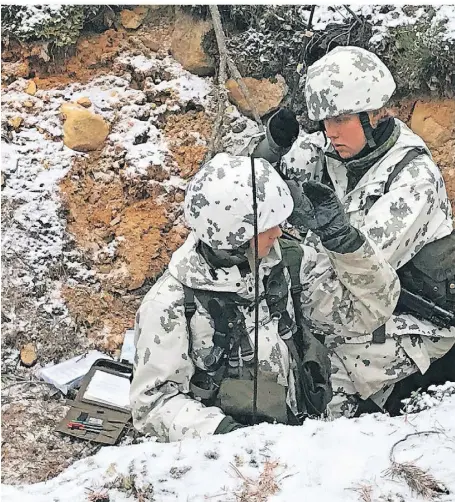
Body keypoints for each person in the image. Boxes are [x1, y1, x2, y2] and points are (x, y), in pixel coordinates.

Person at [130, 152, 400, 440]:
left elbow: (367, 313)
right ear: (232, 236)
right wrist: (225, 435)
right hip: (232, 459)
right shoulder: (171, 303)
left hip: (306, 433)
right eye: (266, 225)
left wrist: (343, 240)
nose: (279, 231)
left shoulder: (288, 263)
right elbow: (153, 405)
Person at [245, 45, 455, 417]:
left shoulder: (413, 181)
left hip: (413, 322)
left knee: (315, 386)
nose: (331, 132)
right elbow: (237, 194)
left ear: (374, 115)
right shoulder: (332, 150)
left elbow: (356, 279)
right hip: (345, 306)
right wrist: (268, 153)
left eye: (341, 119)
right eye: (325, 121)